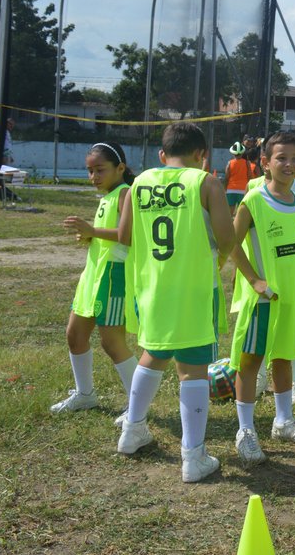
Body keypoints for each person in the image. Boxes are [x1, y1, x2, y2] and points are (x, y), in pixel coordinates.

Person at [115, 122, 236, 482]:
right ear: (202, 155)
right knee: (193, 368)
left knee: (153, 353)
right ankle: (193, 456)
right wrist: (214, 255)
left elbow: (125, 235)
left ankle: (132, 429)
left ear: (162, 154)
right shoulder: (206, 183)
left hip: (152, 286)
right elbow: (227, 238)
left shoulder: (139, 183)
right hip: (193, 287)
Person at [228, 132, 295, 464]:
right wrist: (254, 280)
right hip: (265, 300)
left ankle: (284, 421)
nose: (289, 164)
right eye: (281, 158)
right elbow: (230, 243)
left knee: (284, 357)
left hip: (291, 297)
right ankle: (245, 431)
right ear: (265, 163)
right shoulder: (254, 200)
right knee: (250, 362)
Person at [51, 142, 138, 418]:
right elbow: (108, 233)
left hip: (112, 276)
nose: (93, 177)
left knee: (112, 343)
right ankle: (85, 394)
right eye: (90, 171)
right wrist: (90, 236)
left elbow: (128, 236)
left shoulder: (126, 193)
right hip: (93, 274)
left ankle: (138, 405)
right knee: (74, 335)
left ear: (120, 168)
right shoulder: (108, 196)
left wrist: (93, 231)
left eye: (100, 170)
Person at [224, 142, 253, 210]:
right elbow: (249, 176)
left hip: (231, 189)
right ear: (242, 153)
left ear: (233, 153)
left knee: (230, 212)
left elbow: (226, 177)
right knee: (242, 211)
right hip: (243, 190)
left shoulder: (229, 163)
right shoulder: (247, 163)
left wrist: (225, 188)